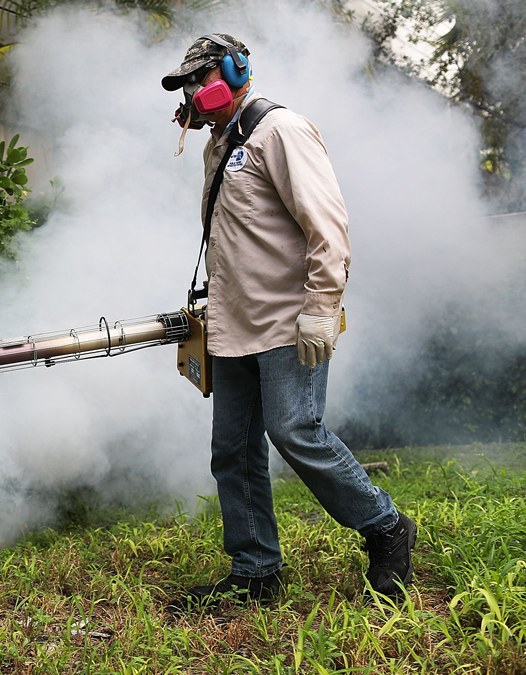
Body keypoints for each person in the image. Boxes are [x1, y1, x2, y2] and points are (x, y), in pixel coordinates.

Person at [160, 34, 416, 603]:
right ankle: (255, 572)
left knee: (294, 430)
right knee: (232, 450)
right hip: (233, 326)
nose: (195, 95)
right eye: (188, 86)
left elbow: (328, 228)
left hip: (286, 322)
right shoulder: (217, 145)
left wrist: (322, 309)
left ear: (234, 70)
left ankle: (387, 528)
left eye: (201, 79)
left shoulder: (282, 131)